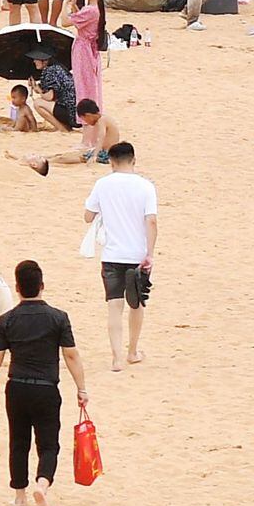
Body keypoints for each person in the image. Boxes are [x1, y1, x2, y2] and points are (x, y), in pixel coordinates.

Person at [0, 259, 88, 506]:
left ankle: (19, 496)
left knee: (18, 441)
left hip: (16, 387)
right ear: (42, 286)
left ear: (17, 288)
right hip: (46, 388)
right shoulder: (58, 318)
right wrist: (81, 389)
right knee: (48, 444)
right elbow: (71, 355)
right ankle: (42, 484)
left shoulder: (7, 320)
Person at [82, 140, 158, 366]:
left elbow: (88, 216)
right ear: (133, 160)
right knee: (137, 304)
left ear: (112, 162)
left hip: (112, 255)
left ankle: (116, 358)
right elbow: (151, 221)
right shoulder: (146, 186)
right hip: (137, 255)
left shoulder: (103, 184)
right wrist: (150, 253)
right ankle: (132, 351)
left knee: (114, 306)